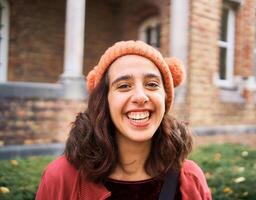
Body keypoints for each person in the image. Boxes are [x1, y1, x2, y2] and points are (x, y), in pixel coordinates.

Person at [35, 40, 212, 200]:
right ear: (104, 101)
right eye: (124, 86)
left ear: (165, 99)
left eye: (152, 84)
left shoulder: (190, 178)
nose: (140, 97)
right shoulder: (61, 177)